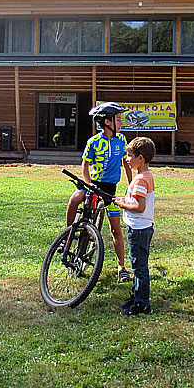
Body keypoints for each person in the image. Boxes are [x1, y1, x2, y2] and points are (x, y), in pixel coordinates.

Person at [66, 102, 133, 281]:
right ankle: (68, 234)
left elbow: (126, 163)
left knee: (116, 229)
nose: (121, 123)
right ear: (107, 122)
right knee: (75, 199)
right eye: (118, 119)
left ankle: (121, 267)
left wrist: (131, 185)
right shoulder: (94, 142)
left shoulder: (121, 140)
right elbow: (85, 165)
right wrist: (88, 184)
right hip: (93, 184)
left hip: (110, 188)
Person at [114, 137, 157, 316]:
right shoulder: (147, 176)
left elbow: (139, 207)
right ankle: (136, 295)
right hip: (143, 227)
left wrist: (121, 204)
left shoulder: (140, 180)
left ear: (141, 158)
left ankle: (142, 303)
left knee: (139, 267)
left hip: (138, 229)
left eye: (130, 156)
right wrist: (124, 199)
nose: (127, 159)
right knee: (138, 263)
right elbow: (137, 199)